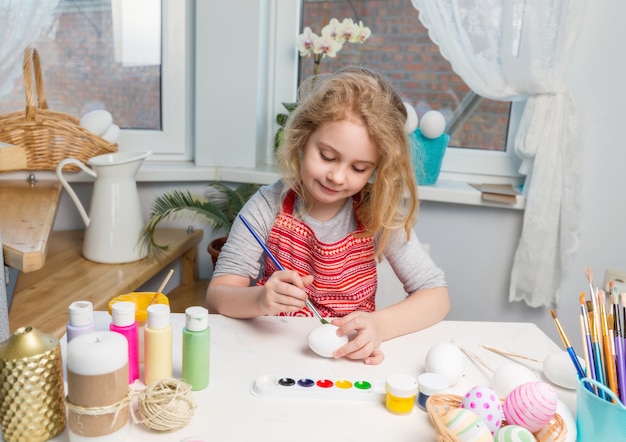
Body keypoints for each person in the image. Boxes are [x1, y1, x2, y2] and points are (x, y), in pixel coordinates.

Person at [206, 66, 450, 365]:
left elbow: (437, 296)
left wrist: (380, 325)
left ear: (376, 169)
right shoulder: (266, 206)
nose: (337, 176)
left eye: (358, 168)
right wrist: (260, 299)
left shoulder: (376, 212)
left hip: (350, 358)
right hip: (276, 356)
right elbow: (218, 297)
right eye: (327, 156)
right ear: (302, 138)